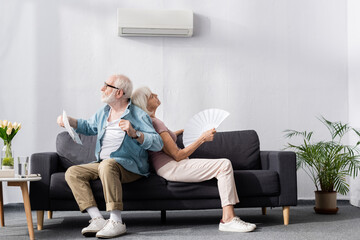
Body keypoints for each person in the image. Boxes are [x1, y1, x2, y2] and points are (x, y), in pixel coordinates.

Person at [131, 87, 256, 233]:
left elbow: (166, 139)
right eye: (152, 95)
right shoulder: (156, 123)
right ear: (145, 103)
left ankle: (230, 218)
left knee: (223, 165)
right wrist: (202, 138)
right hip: (173, 167)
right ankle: (227, 219)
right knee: (224, 164)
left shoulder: (151, 122)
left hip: (168, 166)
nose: (156, 95)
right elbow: (178, 155)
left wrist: (179, 132)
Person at [56, 75, 163, 238]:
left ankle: (116, 221)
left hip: (130, 166)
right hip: (104, 163)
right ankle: (97, 219)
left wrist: (135, 133)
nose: (102, 88)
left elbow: (157, 143)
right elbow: (88, 126)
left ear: (119, 93)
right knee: (73, 172)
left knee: (107, 165)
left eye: (107, 86)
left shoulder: (137, 115)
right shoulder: (104, 112)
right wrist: (70, 121)